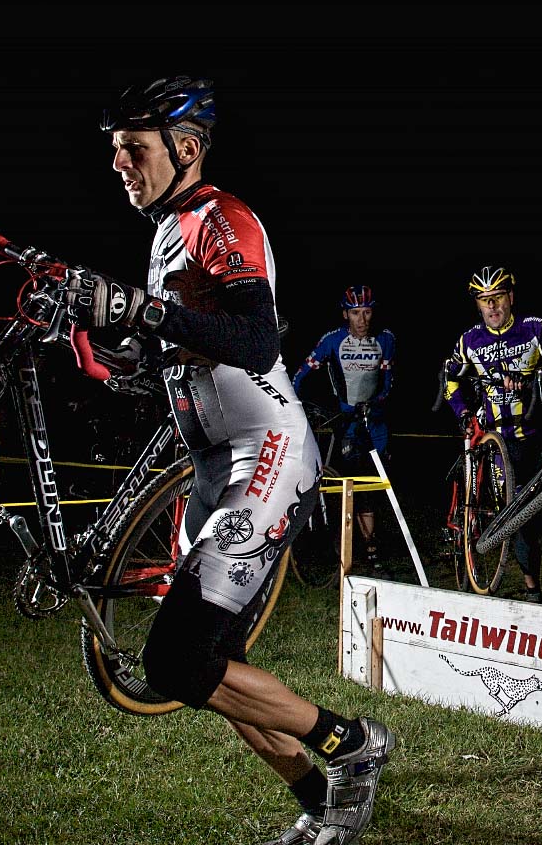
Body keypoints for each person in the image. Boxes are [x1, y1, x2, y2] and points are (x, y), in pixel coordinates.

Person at [90, 76, 395, 845]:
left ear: (186, 149)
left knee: (178, 659)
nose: (120, 163)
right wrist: (112, 339)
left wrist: (146, 310)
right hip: (212, 470)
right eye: (115, 150)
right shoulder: (164, 231)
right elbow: (178, 346)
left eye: (134, 149)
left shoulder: (219, 216)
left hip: (265, 455)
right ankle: (321, 798)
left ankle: (353, 744)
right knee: (206, 671)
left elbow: (259, 340)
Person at [442, 265, 542, 611]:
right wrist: (462, 413)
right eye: (485, 300)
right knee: (518, 518)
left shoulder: (535, 329)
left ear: (510, 297)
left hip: (540, 437)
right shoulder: (469, 341)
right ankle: (533, 593)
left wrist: (535, 379)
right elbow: (451, 383)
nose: (493, 306)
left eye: (498, 298)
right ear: (477, 304)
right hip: (500, 447)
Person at [292, 286, 396, 571]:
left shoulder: (385, 339)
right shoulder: (333, 340)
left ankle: (373, 547)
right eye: (355, 313)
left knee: (373, 487)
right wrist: (291, 403)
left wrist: (376, 403)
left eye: (367, 312)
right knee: (348, 484)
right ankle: (346, 547)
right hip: (347, 423)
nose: (362, 319)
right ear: (345, 314)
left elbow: (388, 383)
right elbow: (301, 374)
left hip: (376, 423)